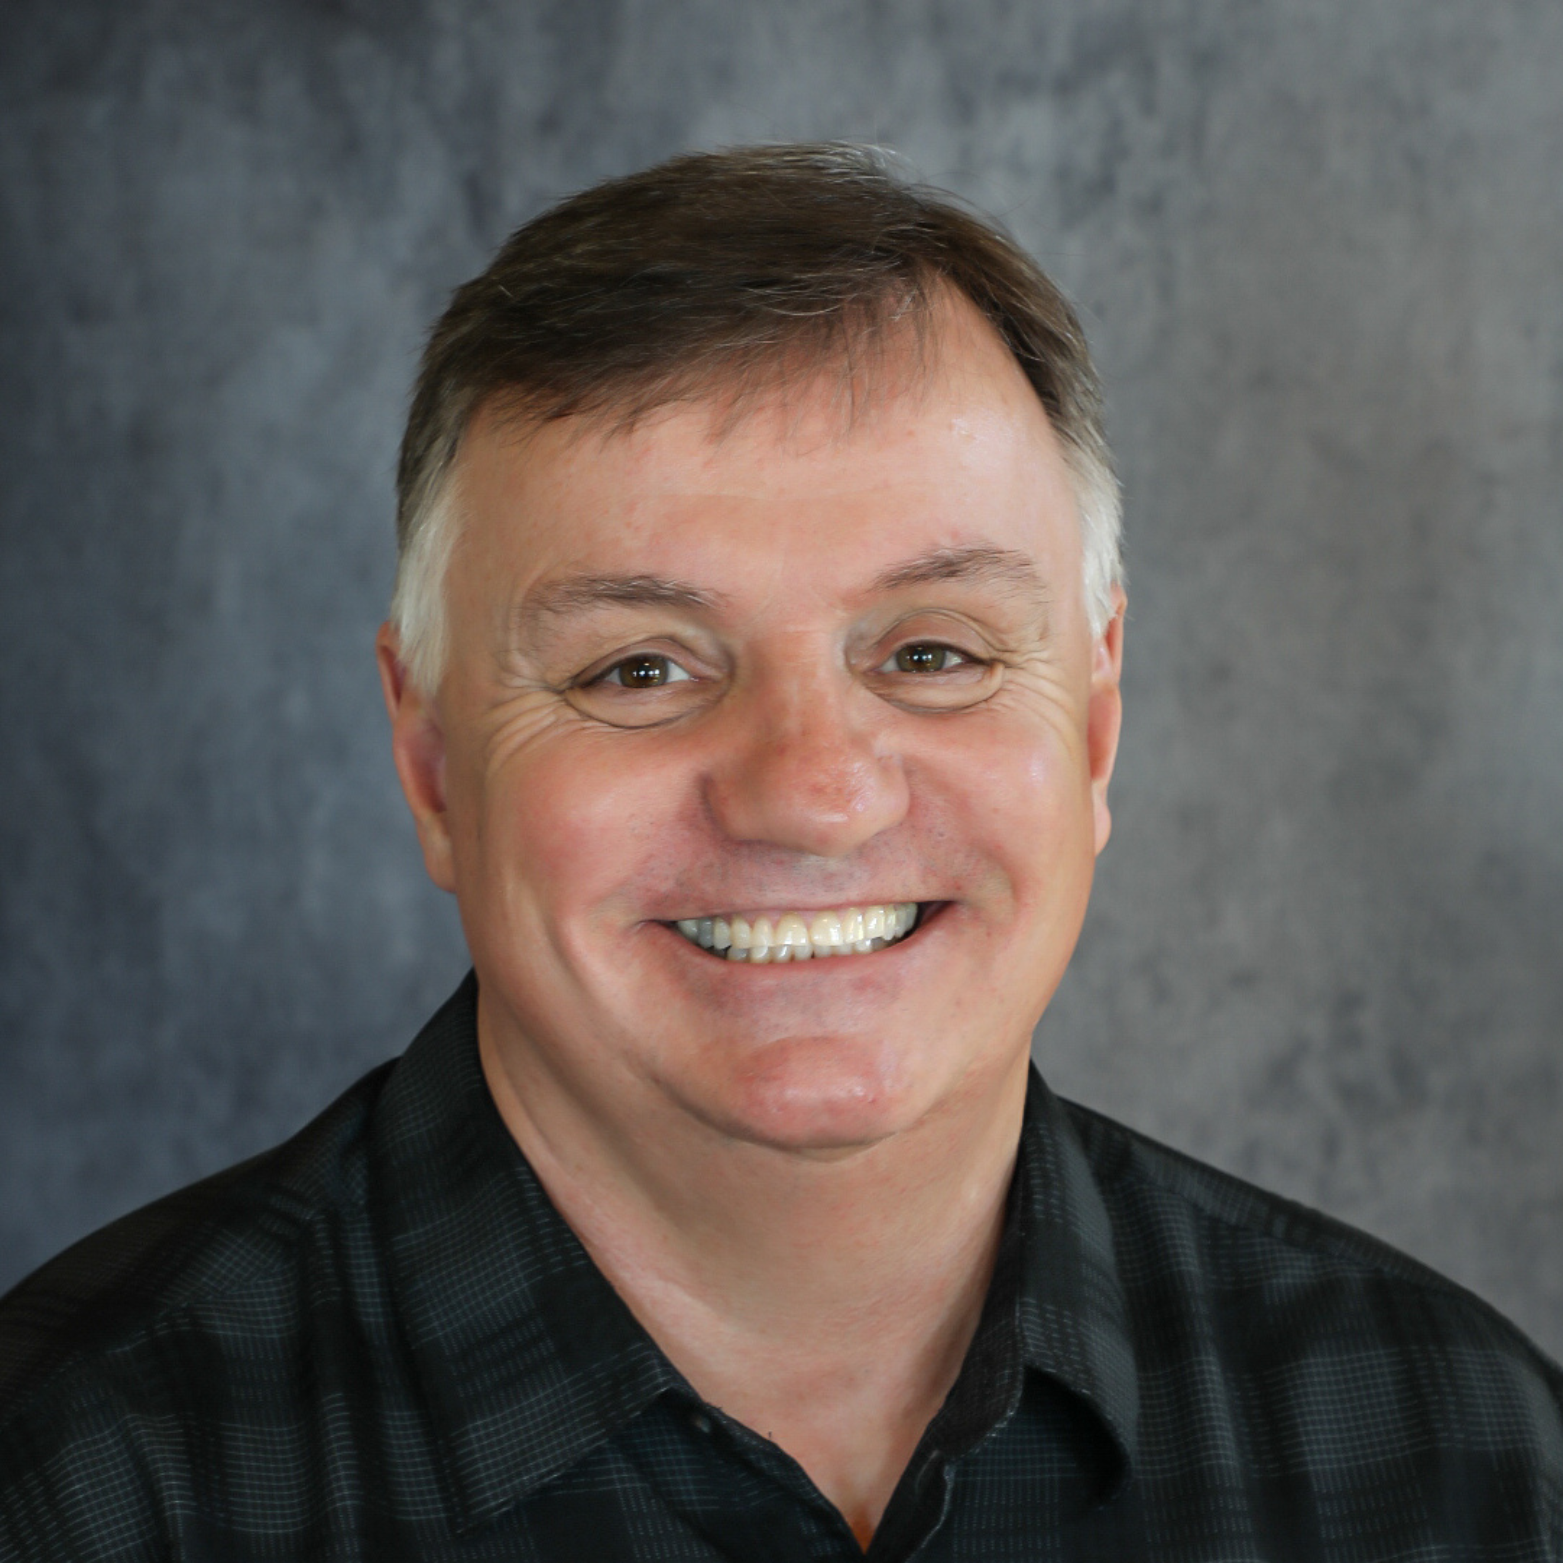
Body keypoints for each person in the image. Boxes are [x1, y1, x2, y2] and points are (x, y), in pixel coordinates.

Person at [0, 143, 1557, 1563]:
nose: (811, 795)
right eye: (642, 669)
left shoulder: (1463, 1459)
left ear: (1091, 726)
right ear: (431, 768)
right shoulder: (82, 1483)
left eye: (933, 652)